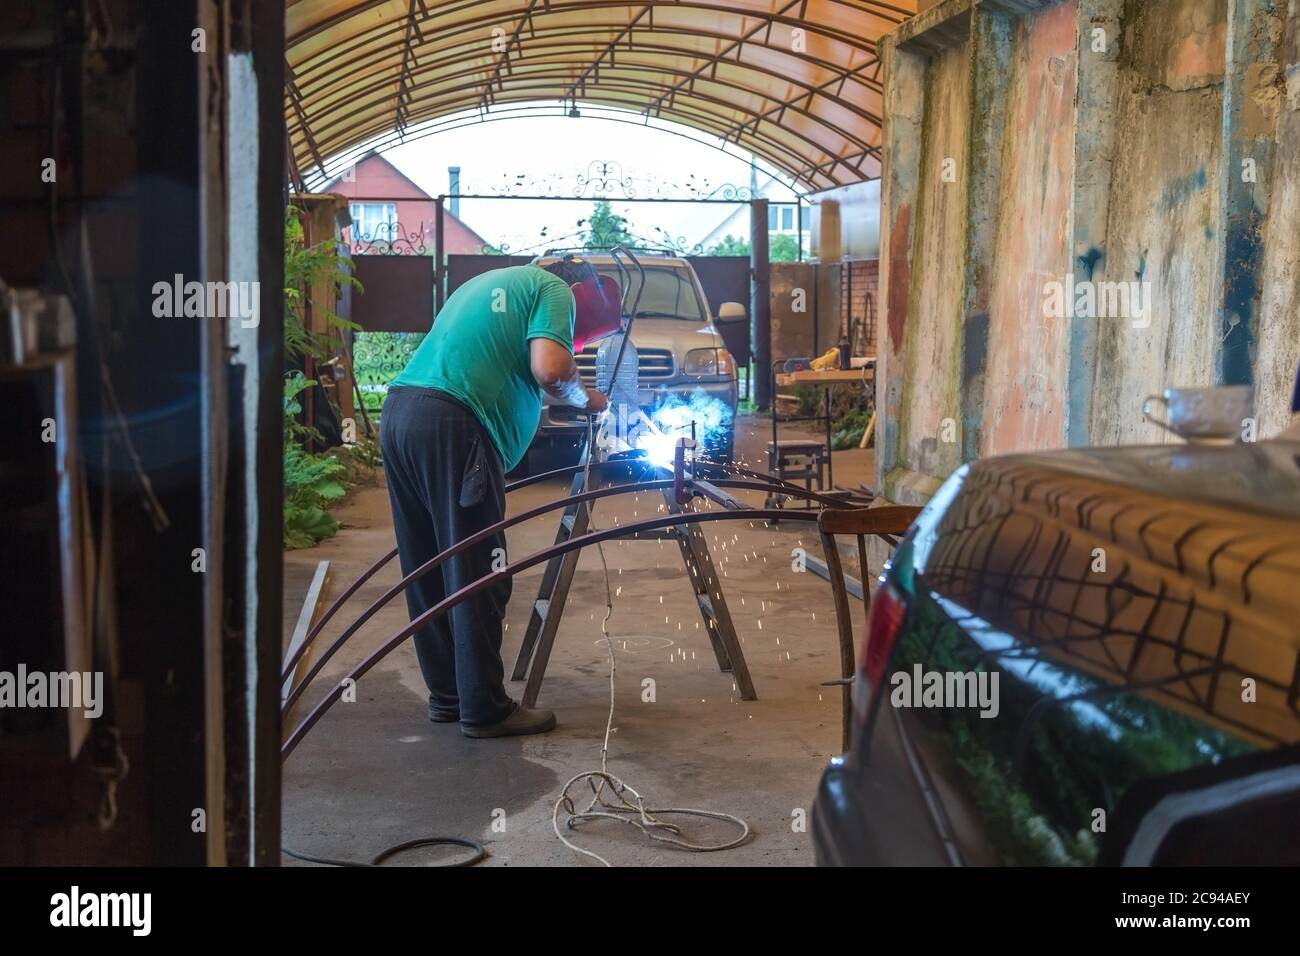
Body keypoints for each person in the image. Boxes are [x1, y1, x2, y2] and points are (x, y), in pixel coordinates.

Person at [379, 258, 619, 737]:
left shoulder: (493, 284)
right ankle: (485, 709)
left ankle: (449, 698)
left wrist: (565, 391)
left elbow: (528, 372)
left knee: (428, 566)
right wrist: (587, 399)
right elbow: (551, 370)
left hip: (403, 414)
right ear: (582, 292)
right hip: (456, 428)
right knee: (477, 571)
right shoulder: (553, 289)